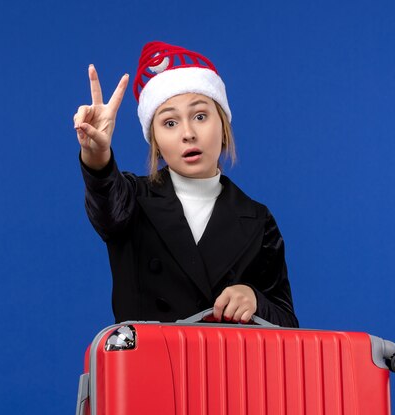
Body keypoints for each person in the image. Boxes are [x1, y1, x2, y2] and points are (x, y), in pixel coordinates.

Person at [73, 41, 298, 327]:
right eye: (170, 123)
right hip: (145, 368)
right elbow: (105, 204)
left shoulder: (257, 219)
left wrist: (254, 299)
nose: (188, 133)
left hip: (225, 370)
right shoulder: (132, 198)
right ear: (154, 140)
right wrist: (96, 154)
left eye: (200, 116)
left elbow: (288, 323)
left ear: (223, 124)